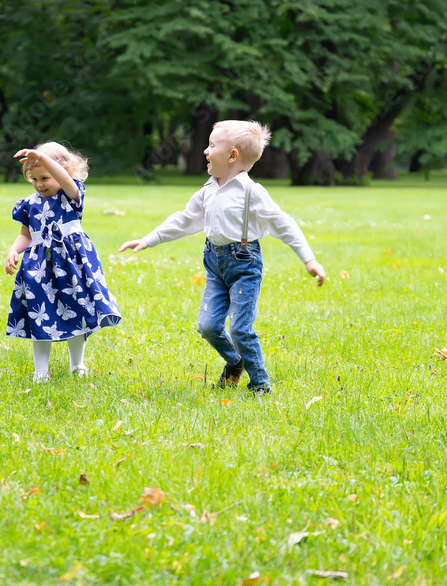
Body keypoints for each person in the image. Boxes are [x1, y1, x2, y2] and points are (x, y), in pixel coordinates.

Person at [119, 120, 325, 394]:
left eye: (212, 145)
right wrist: (149, 239)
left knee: (240, 329)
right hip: (215, 265)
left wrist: (309, 259)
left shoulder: (252, 193)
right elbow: (184, 220)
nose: (205, 151)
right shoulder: (207, 190)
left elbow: (284, 224)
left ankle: (260, 384)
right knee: (207, 326)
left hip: (244, 265)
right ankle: (234, 361)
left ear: (232, 156)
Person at [4, 142, 122, 382]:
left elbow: (64, 180)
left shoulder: (71, 195)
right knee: (40, 315)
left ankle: (77, 365)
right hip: (39, 269)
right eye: (33, 178)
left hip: (72, 266)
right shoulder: (29, 203)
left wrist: (43, 158)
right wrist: (13, 250)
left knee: (76, 311)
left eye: (45, 177)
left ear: (64, 172)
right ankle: (40, 371)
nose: (39, 184)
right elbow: (26, 235)